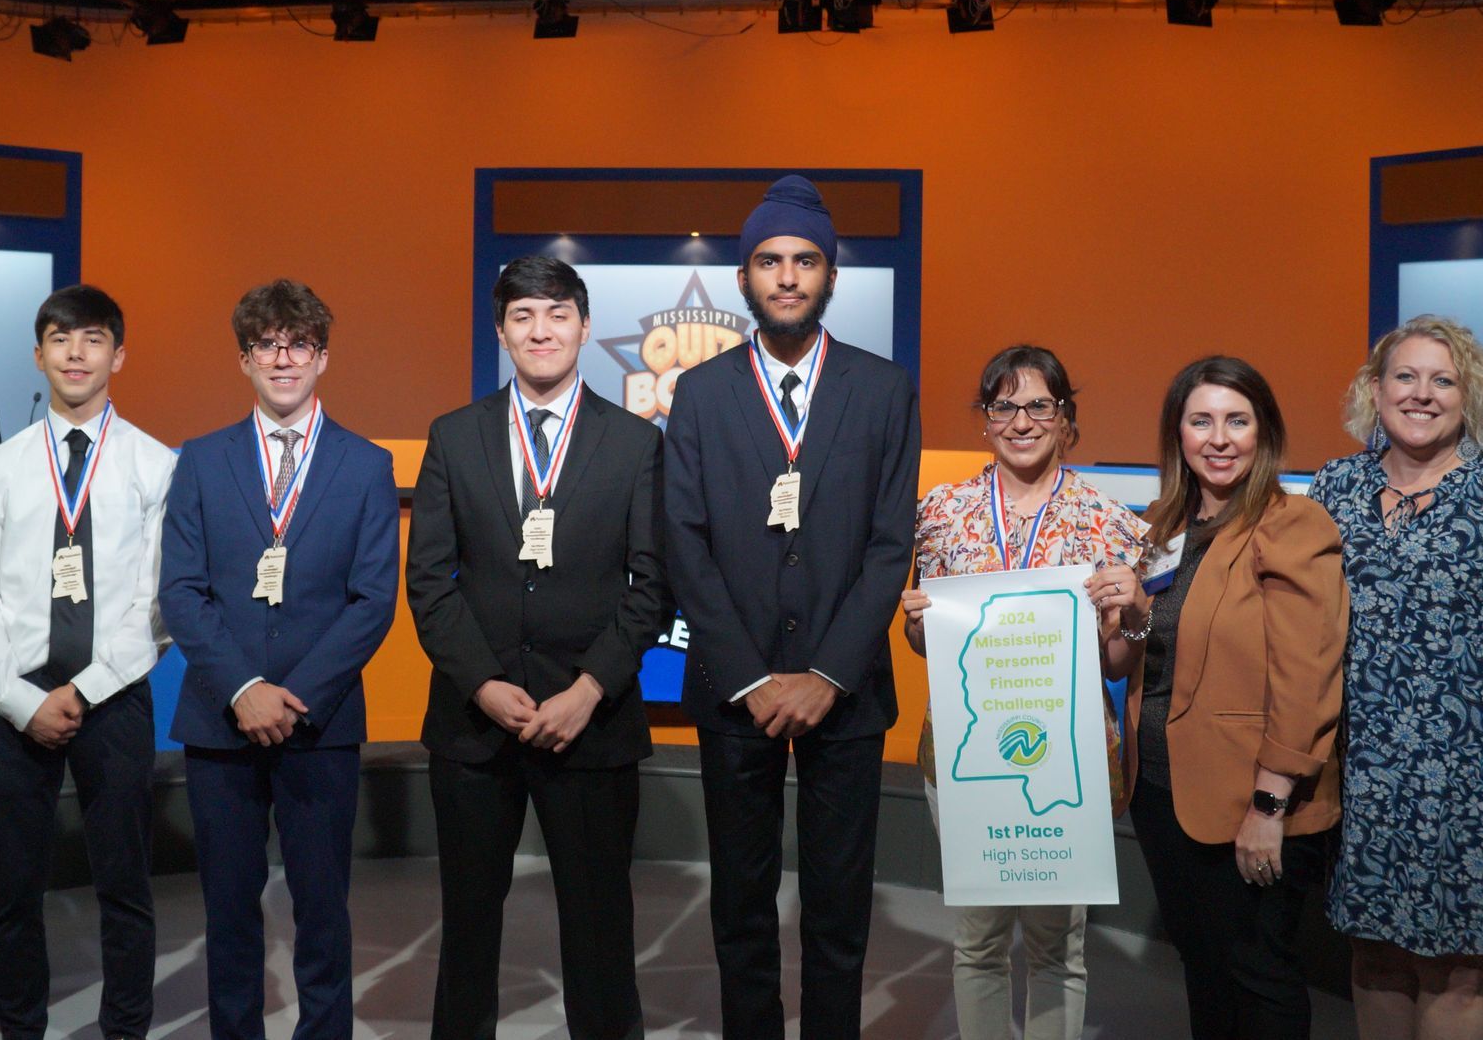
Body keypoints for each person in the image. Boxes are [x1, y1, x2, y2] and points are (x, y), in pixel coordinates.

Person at [663, 174, 920, 1040]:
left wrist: (826, 674)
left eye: (804, 261)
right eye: (769, 261)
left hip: (846, 692)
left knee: (839, 910)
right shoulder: (700, 392)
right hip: (735, 692)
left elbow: (889, 544)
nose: (786, 276)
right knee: (740, 906)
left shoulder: (884, 389)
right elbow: (684, 543)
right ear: (743, 276)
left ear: (831, 275)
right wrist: (750, 676)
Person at [407, 255, 672, 1040]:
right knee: (467, 928)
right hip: (474, 725)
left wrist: (588, 689)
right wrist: (484, 684)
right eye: (523, 316)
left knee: (600, 932)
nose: (541, 330)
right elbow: (429, 582)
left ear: (585, 328)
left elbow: (653, 586)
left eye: (557, 314)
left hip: (592, 724)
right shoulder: (454, 436)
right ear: (501, 332)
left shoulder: (635, 443)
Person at [1310, 315, 1483, 1040]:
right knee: (1373, 956)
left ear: (1471, 398)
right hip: (1362, 774)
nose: (1422, 394)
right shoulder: (1334, 488)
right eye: (1405, 376)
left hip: (1476, 780)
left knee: (1457, 969)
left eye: (1444, 380)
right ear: (1375, 390)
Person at [160, 279, 399, 1040]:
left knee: (322, 911)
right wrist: (244, 689)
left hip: (319, 726)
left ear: (323, 358)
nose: (284, 358)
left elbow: (373, 601)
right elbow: (182, 591)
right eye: (267, 345)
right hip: (220, 723)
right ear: (245, 360)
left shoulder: (366, 464)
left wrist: (293, 698)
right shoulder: (201, 460)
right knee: (229, 913)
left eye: (299, 344)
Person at [899, 345, 1148, 1040]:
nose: (1021, 421)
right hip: (965, 757)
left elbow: (1117, 662)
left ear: (1066, 417)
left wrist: (1134, 615)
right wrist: (918, 625)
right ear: (984, 420)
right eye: (1003, 406)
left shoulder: (1108, 520)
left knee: (1057, 948)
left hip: (1066, 762)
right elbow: (925, 644)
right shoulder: (940, 513)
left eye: (1039, 405)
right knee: (978, 941)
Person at [0, 284, 175, 1040]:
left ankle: (125, 1030)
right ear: (38, 354)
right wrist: (23, 701)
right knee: (14, 895)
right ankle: (21, 1030)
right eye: (60, 339)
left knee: (126, 889)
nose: (76, 354)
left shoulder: (155, 465)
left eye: (93, 339)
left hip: (115, 699)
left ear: (120, 355)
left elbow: (159, 603)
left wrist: (87, 690)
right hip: (14, 705)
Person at [1109, 356, 1347, 1040]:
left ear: (1263, 431)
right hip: (1162, 791)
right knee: (1203, 965)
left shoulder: (1293, 524)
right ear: (1177, 433)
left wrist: (1269, 806)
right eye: (1201, 421)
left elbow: (1307, 677)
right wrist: (1130, 615)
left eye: (1237, 421)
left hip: (1252, 799)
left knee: (1259, 975)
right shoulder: (1160, 526)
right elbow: (1145, 650)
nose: (1218, 439)